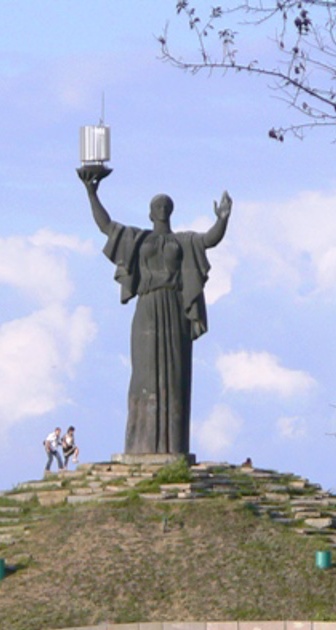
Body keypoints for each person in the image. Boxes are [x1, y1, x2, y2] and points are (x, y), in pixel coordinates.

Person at [79, 165, 232, 455]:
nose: (161, 208)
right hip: (147, 307)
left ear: (170, 211)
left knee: (173, 375)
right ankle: (140, 445)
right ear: (150, 213)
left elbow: (210, 239)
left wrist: (223, 219)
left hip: (174, 309)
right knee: (144, 376)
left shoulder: (183, 241)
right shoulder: (138, 239)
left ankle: (172, 446)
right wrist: (91, 193)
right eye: (156, 206)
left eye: (165, 205)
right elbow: (106, 226)